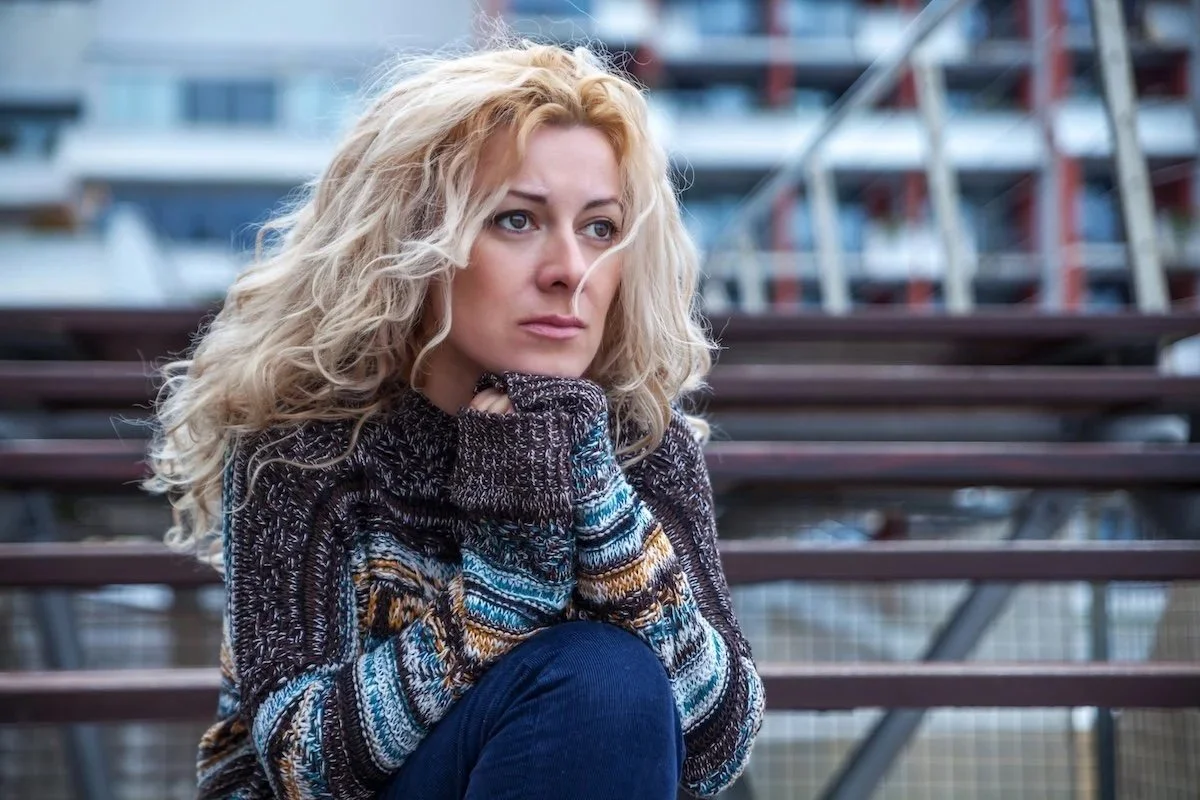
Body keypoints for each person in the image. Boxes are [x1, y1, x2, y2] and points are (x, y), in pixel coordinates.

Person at [145, 37, 765, 800]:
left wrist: (590, 487)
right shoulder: (306, 448)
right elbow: (300, 765)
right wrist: (494, 600)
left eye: (600, 228)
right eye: (516, 220)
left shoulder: (640, 446)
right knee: (598, 681)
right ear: (415, 243)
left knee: (610, 683)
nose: (569, 267)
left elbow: (720, 741)